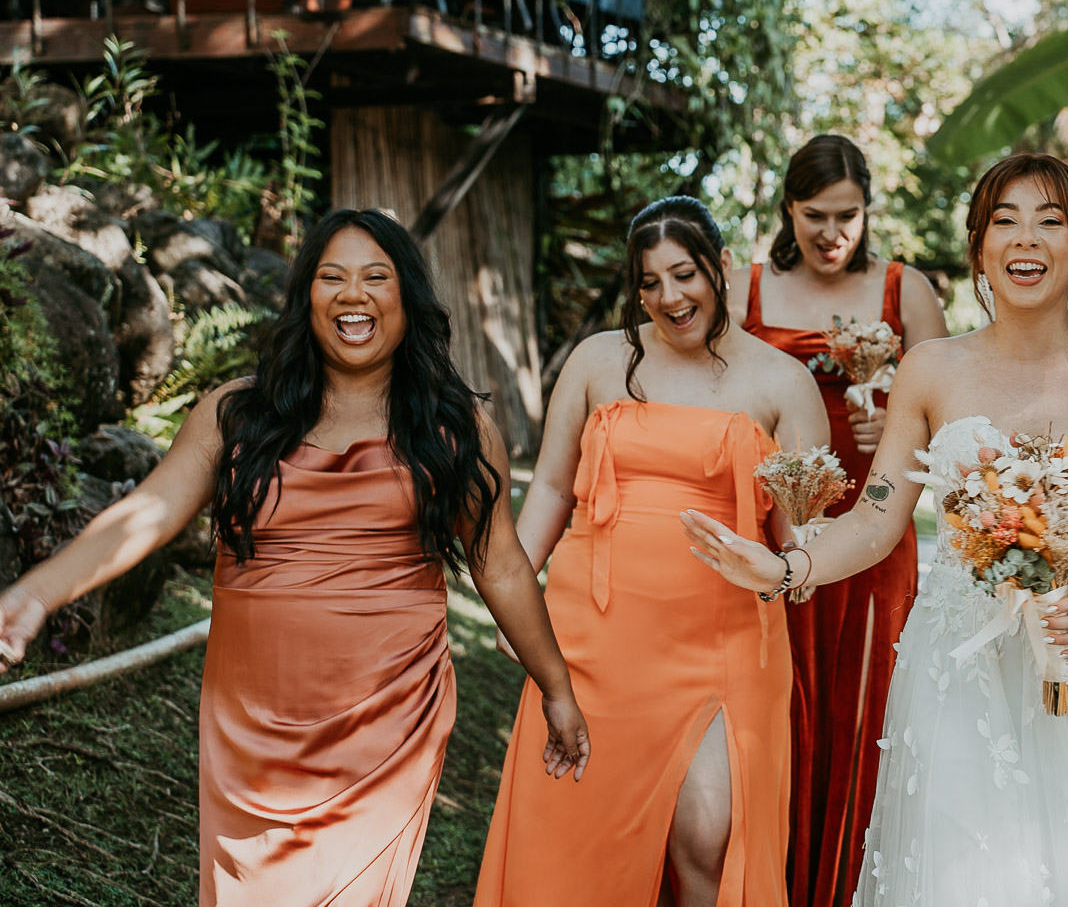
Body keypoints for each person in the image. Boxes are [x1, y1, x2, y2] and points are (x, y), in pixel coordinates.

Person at [0, 208, 589, 907]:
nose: (353, 294)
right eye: (331, 277)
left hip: (386, 722)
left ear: (408, 299)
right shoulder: (238, 415)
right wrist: (38, 592)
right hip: (251, 732)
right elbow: (148, 512)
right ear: (306, 295)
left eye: (376, 277)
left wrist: (556, 688)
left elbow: (501, 565)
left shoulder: (453, 428)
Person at [686, 152, 1068, 904]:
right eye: (1004, 221)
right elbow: (876, 516)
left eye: (1049, 222)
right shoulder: (931, 369)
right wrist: (786, 568)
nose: (1025, 239)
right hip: (963, 677)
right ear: (979, 248)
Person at [474, 196, 829, 907]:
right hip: (593, 636)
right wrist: (515, 601)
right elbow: (551, 487)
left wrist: (800, 554)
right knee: (574, 837)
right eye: (649, 282)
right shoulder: (597, 360)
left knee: (709, 837)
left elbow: (805, 540)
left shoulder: (784, 382)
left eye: (685, 274)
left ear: (721, 266)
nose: (669, 297)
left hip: (723, 640)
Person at [726, 133, 949, 906]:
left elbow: (953, 417)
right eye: (815, 215)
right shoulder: (745, 290)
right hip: (768, 527)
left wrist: (898, 426)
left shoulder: (904, 290)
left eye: (847, 216)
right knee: (772, 708)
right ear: (788, 209)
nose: (831, 234)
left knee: (862, 713)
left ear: (868, 211)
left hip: (873, 528)